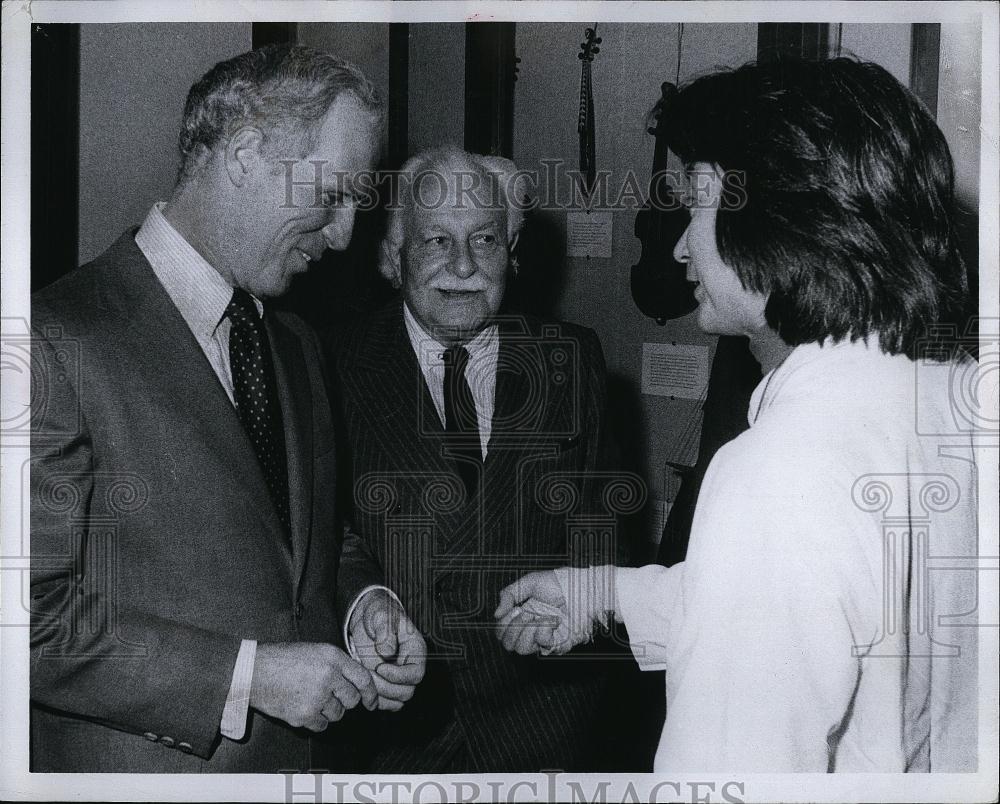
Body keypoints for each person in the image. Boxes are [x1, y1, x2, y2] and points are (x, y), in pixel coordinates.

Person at [496, 57, 978, 772]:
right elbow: (808, 609)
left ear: (774, 219)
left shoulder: (778, 469)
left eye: (697, 202)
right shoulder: (950, 399)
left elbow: (724, 774)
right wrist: (602, 594)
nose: (683, 243)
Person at [30, 44, 425, 773]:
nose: (343, 238)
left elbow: (313, 539)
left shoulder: (297, 344)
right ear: (245, 153)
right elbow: (26, 620)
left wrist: (363, 602)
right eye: (331, 196)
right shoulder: (54, 339)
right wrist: (249, 677)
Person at [330, 146, 627, 772]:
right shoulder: (331, 364)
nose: (463, 265)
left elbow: (602, 530)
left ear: (513, 253)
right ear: (393, 257)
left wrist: (579, 601)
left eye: (485, 240)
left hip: (543, 726)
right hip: (395, 734)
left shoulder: (573, 360)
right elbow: (322, 536)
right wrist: (364, 603)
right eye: (436, 240)